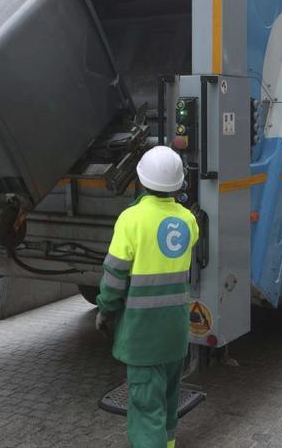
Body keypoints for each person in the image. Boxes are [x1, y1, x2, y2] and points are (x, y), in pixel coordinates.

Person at [96, 146, 199, 448]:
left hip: (143, 336)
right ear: (178, 183)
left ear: (140, 180)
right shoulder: (188, 221)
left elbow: (114, 277)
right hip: (175, 332)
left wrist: (105, 310)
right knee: (168, 402)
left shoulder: (131, 219)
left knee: (145, 409)